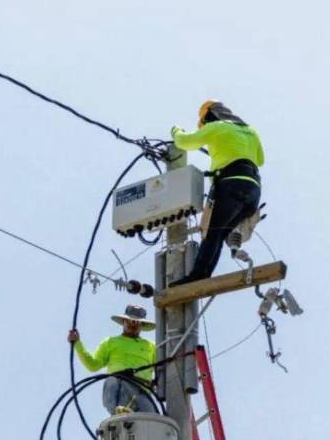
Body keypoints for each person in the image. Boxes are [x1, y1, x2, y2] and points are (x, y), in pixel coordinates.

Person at [168, 100, 265, 287]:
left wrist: (175, 131)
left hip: (230, 185)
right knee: (219, 235)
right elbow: (260, 160)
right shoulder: (251, 131)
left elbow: (184, 142)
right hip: (253, 190)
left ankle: (198, 276)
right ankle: (202, 274)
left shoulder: (216, 127)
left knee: (212, 234)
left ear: (208, 117)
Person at [67, 304, 157, 414]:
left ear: (142, 325)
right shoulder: (110, 343)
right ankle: (119, 413)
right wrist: (77, 343)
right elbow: (93, 365)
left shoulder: (151, 347)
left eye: (137, 322)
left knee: (152, 420)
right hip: (119, 386)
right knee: (112, 381)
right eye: (130, 321)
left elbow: (163, 369)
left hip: (142, 391)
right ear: (123, 322)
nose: (133, 324)